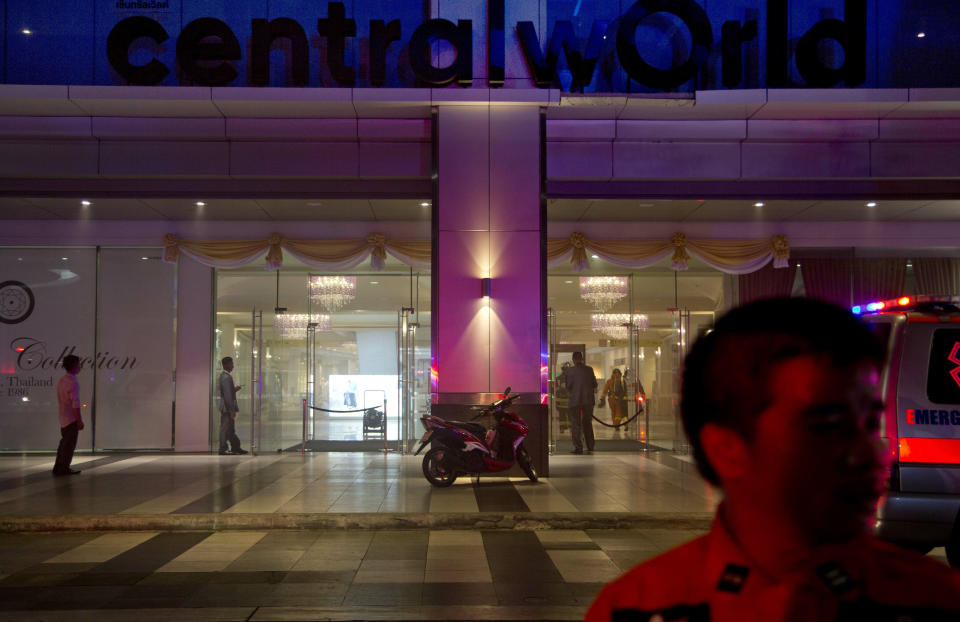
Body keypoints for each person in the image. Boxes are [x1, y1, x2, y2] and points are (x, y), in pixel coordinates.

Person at [586, 298, 960, 621]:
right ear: (726, 447)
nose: (868, 454)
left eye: (869, 422)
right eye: (827, 426)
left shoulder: (935, 598)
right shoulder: (637, 607)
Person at [53, 354, 83, 476]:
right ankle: (63, 468)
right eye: (78, 364)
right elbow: (75, 404)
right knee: (69, 444)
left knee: (64, 443)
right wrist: (79, 420)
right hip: (70, 418)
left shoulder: (62, 381)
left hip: (63, 416)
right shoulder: (73, 383)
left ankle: (58, 466)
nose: (80, 367)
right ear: (74, 366)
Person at [564, 351, 597, 454]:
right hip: (588, 401)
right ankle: (590, 446)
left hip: (575, 401)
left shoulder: (570, 371)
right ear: (582, 359)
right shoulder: (589, 370)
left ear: (573, 360)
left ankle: (578, 447)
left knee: (576, 424)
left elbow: (568, 386)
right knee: (587, 423)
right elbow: (594, 384)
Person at [218, 356, 248, 455]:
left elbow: (228, 392)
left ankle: (236, 447)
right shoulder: (226, 377)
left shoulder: (226, 376)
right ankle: (223, 448)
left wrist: (234, 389)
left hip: (228, 407)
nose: (233, 365)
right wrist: (231, 410)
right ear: (226, 365)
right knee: (225, 429)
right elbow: (227, 396)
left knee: (230, 429)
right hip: (227, 408)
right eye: (231, 363)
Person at [599, 368, 628, 436]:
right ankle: (617, 425)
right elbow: (625, 390)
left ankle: (616, 425)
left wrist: (602, 398)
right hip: (618, 399)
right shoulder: (622, 380)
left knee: (614, 413)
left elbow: (605, 390)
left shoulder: (610, 381)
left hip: (611, 400)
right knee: (618, 412)